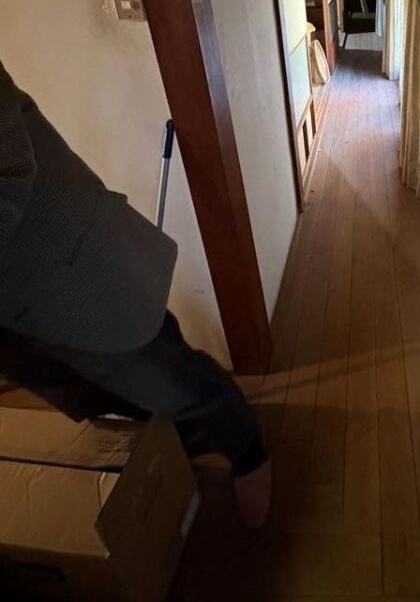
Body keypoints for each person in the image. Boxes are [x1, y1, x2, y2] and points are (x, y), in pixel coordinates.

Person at [0, 61, 271, 527]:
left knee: (164, 371)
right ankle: (175, 438)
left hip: (66, 266)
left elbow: (11, 166)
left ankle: (246, 447)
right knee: (87, 393)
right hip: (11, 313)